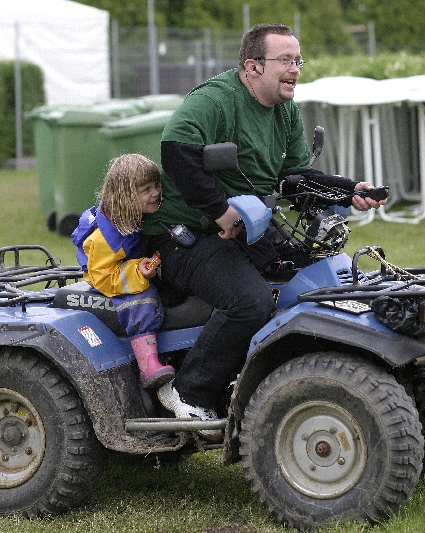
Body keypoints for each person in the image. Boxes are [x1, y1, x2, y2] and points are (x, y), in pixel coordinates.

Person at [142, 23, 387, 441]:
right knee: (251, 302)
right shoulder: (215, 100)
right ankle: (188, 393)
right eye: (286, 60)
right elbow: (176, 152)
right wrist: (219, 211)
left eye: (298, 60)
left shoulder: (286, 111)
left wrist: (349, 192)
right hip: (182, 235)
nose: (295, 69)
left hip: (246, 226)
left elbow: (294, 178)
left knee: (313, 277)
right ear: (253, 66)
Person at [72, 154, 175, 389]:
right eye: (146, 189)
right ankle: (148, 366)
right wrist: (136, 272)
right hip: (107, 275)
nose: (156, 193)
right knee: (140, 303)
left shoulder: (135, 214)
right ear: (126, 197)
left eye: (156, 186)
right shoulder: (107, 239)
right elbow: (102, 275)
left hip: (126, 262)